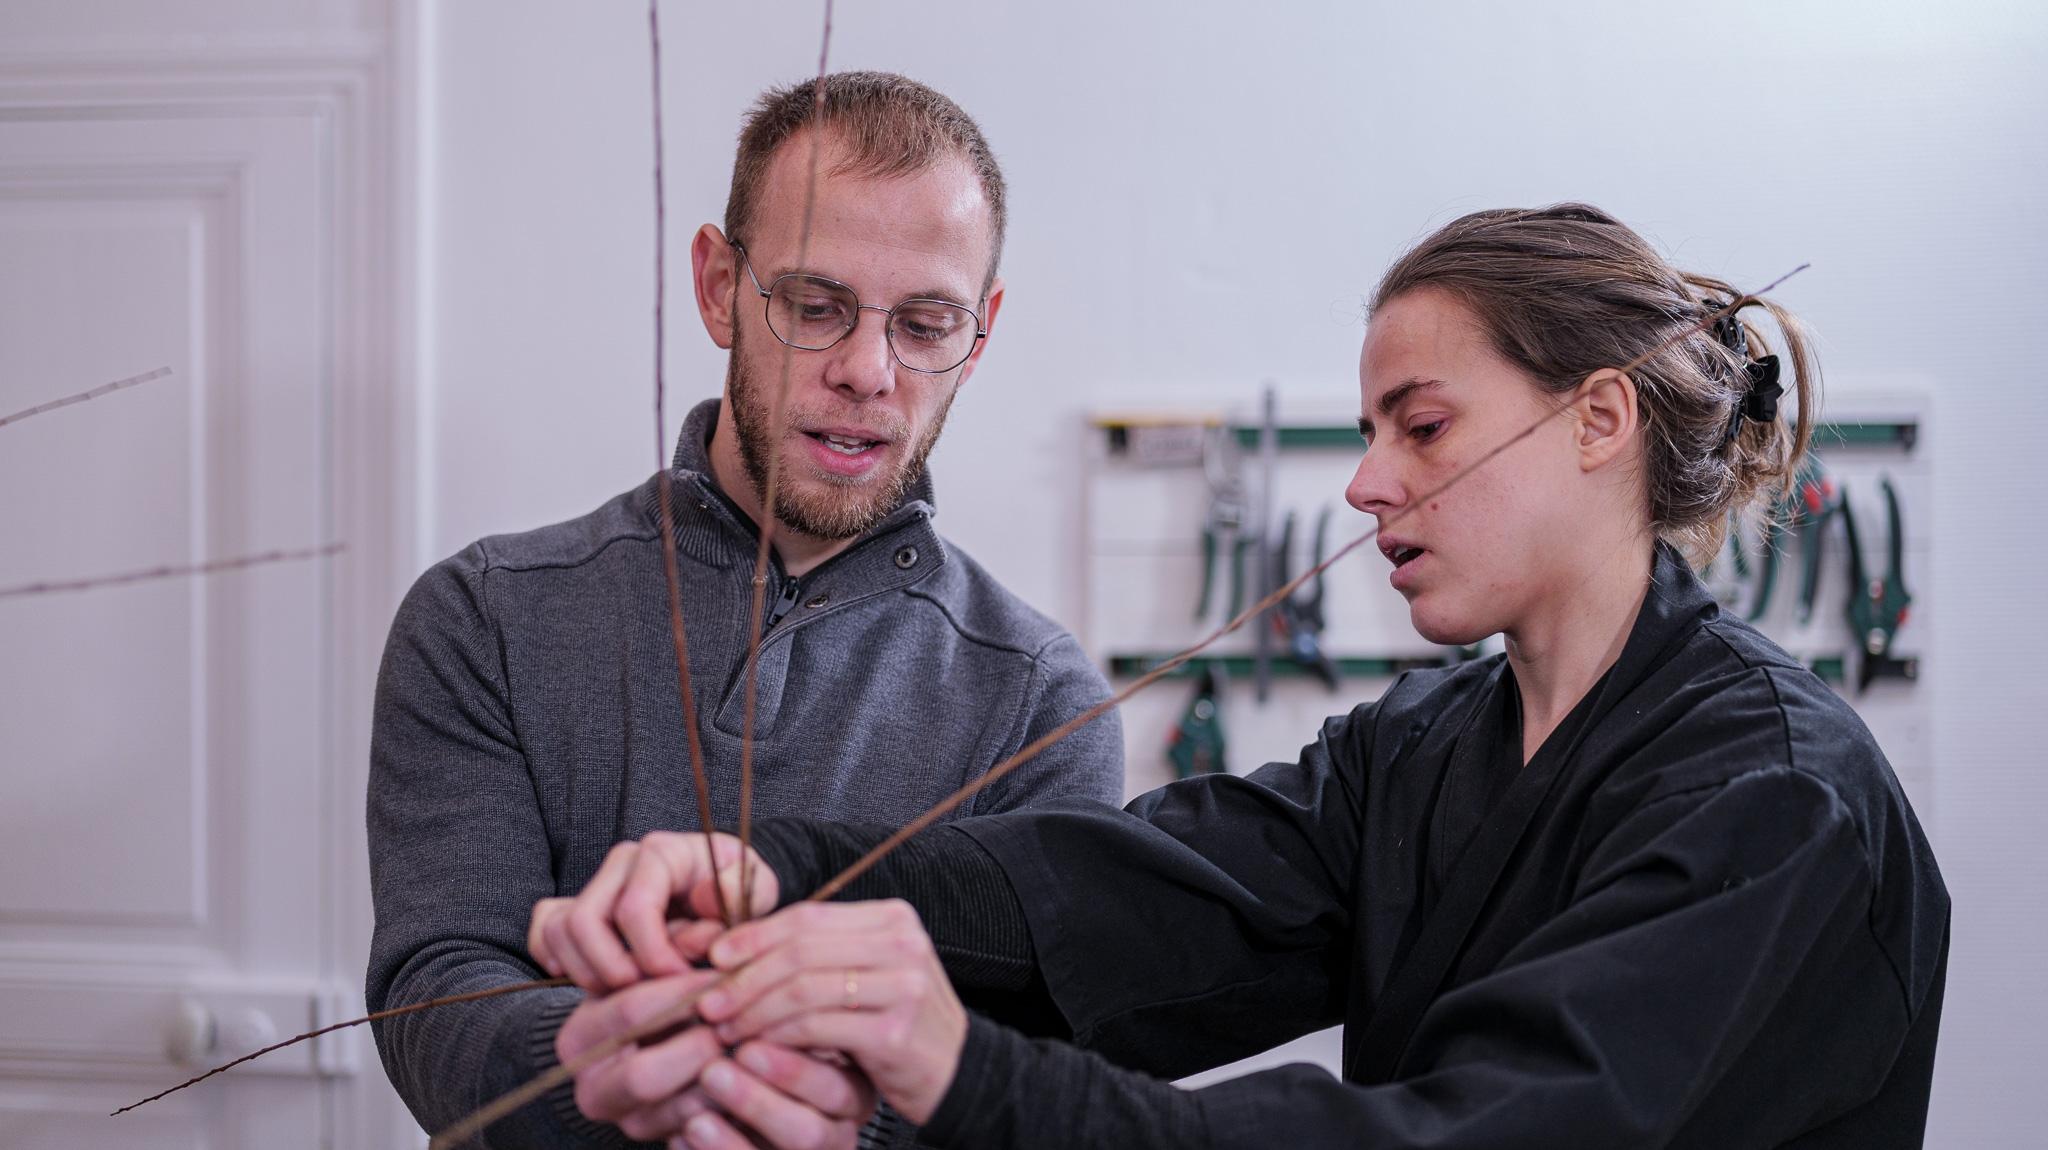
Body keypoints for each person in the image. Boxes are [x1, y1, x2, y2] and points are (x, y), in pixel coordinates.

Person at [535, 204, 1951, 1149]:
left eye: (1424, 425)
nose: (1364, 484)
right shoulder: (1421, 748)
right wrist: (774, 876)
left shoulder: (1772, 795)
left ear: (1596, 419)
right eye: (1367, 429)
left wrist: (963, 1071)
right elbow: (1120, 898)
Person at [366, 72, 1125, 1149]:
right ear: (720, 286)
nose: (867, 370)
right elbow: (434, 984)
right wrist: (610, 1062)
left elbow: (1032, 1085)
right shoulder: (481, 620)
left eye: (924, 322)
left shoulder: (1045, 705)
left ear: (980, 332)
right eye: (814, 306)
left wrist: (818, 1117)